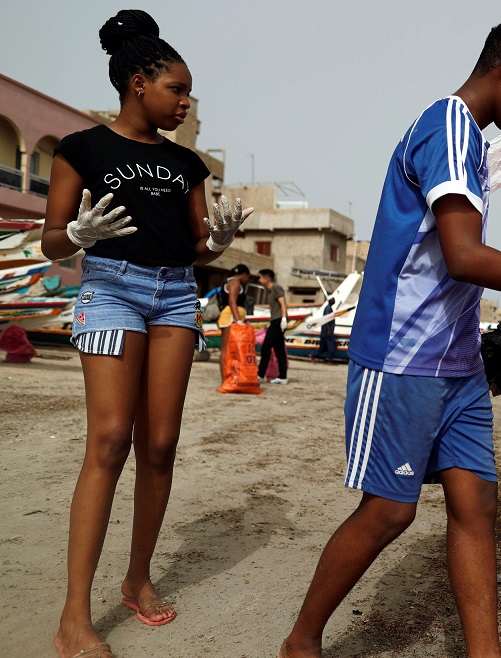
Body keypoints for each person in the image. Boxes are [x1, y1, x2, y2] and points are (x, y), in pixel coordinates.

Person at [279, 21, 501, 658]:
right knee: (390, 511)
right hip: (404, 355)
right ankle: (301, 642)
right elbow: (464, 256)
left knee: (477, 504)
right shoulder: (446, 126)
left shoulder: (466, 143)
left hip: (457, 361)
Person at [41, 10, 252, 658]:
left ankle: (137, 577)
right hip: (109, 291)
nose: (185, 102)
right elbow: (52, 242)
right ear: (138, 82)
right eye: (177, 90)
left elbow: (197, 246)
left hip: (174, 299)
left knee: (159, 444)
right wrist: (75, 237)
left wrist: (215, 242)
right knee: (108, 440)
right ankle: (75, 618)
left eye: (187, 94)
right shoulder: (82, 148)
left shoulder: (187, 164)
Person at [217, 263, 250, 383]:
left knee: (233, 349)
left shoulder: (231, 282)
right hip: (230, 318)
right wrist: (239, 320)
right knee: (226, 349)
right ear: (244, 274)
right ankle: (225, 381)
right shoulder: (235, 283)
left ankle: (232, 378)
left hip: (233, 317)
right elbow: (232, 302)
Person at [257, 268, 289, 383]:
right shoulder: (269, 291)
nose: (259, 280)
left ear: (267, 278)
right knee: (279, 349)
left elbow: (283, 303)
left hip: (278, 320)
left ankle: (260, 374)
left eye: (261, 277)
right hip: (275, 320)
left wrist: (284, 319)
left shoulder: (276, 288)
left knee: (266, 346)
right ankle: (283, 376)